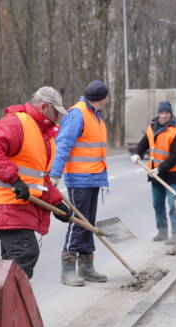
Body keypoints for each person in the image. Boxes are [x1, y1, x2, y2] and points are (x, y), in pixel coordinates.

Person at [0, 86, 72, 279]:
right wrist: (14, 179)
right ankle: (11, 304)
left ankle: (6, 305)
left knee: (12, 260)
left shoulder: (43, 133)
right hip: (7, 204)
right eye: (55, 112)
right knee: (25, 253)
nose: (57, 118)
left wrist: (56, 204)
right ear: (44, 106)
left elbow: (39, 177)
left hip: (21, 204)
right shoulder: (17, 123)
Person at [49, 80, 109, 286]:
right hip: (80, 179)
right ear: (101, 99)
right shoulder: (78, 114)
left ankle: (86, 266)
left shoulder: (94, 114)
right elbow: (63, 144)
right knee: (78, 223)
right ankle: (67, 269)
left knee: (88, 224)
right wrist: (54, 174)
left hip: (93, 177)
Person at [131, 100, 176, 246]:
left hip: (172, 173)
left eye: (166, 113)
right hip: (155, 174)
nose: (164, 116)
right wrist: (138, 153)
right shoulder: (152, 127)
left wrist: (160, 168)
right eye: (161, 113)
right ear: (158, 113)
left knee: (173, 204)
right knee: (158, 204)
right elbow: (144, 143)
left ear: (170, 113)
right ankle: (162, 232)